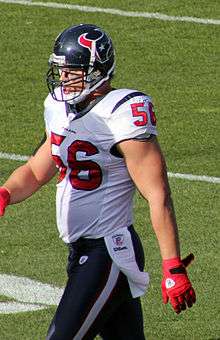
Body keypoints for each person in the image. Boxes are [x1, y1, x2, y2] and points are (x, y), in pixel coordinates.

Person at [0, 24, 196, 340]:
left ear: (97, 70)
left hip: (109, 251)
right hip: (83, 251)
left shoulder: (122, 112)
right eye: (60, 70)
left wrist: (172, 265)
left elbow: (157, 194)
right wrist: (6, 191)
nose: (63, 77)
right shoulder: (58, 108)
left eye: (72, 70)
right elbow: (37, 170)